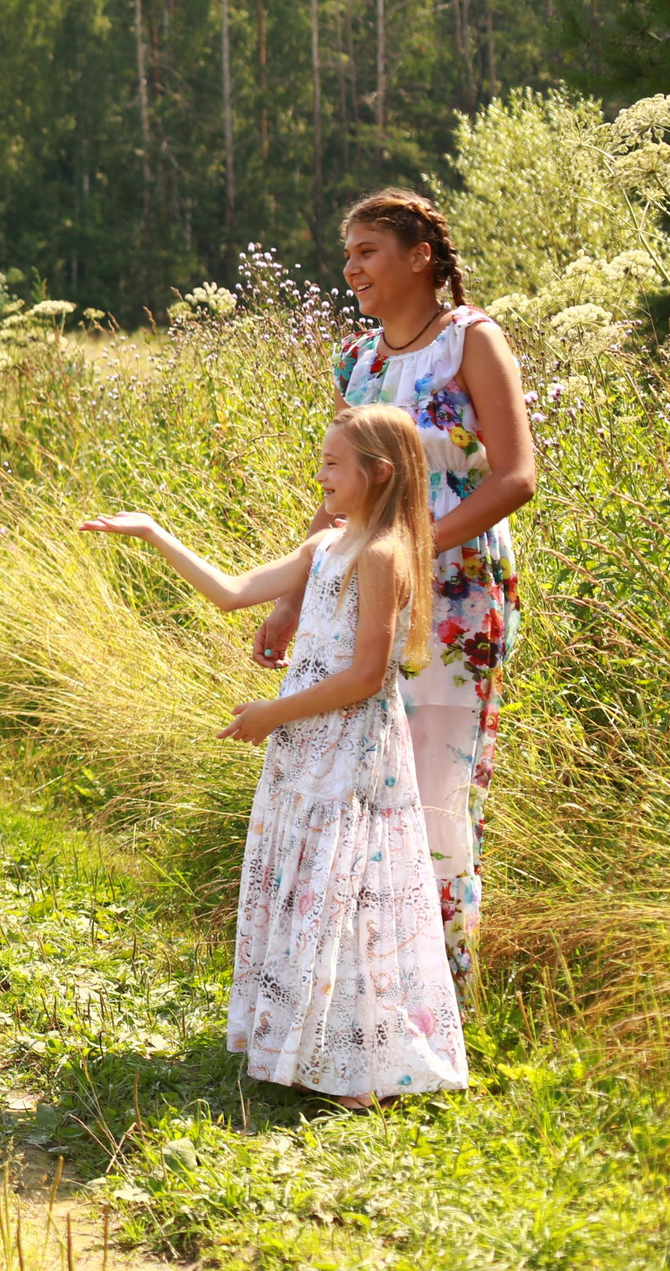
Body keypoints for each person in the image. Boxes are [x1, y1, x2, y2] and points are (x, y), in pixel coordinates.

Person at [81, 405, 469, 1106]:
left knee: (347, 890)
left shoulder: (381, 555)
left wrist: (270, 714)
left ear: (376, 475)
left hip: (347, 749)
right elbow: (231, 591)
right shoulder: (326, 548)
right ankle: (305, 1046)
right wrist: (151, 531)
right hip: (302, 747)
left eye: (331, 464)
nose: (319, 474)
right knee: (309, 886)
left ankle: (362, 1066)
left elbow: (364, 675)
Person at [255, 189, 533, 988]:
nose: (351, 268)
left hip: (455, 602)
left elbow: (516, 476)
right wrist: (293, 594)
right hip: (362, 595)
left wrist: (413, 547)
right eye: (346, 254)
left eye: (367, 249)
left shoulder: (470, 341)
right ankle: (355, 992)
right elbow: (339, 489)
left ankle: (436, 997)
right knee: (360, 778)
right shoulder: (360, 360)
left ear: (421, 255)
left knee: (437, 786)